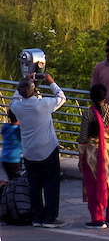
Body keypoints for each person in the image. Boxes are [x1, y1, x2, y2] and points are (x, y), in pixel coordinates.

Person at [13, 70, 62, 227]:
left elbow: (14, 99)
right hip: (47, 149)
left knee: (35, 186)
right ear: (34, 90)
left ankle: (37, 217)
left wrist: (24, 81)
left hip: (29, 152)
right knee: (51, 185)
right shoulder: (43, 104)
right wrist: (51, 82)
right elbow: (62, 98)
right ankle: (49, 218)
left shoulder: (17, 107)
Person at [77, 83, 109, 227]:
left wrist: (80, 159)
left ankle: (98, 219)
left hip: (94, 155)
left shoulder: (88, 114)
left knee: (96, 187)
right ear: (106, 96)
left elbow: (83, 139)